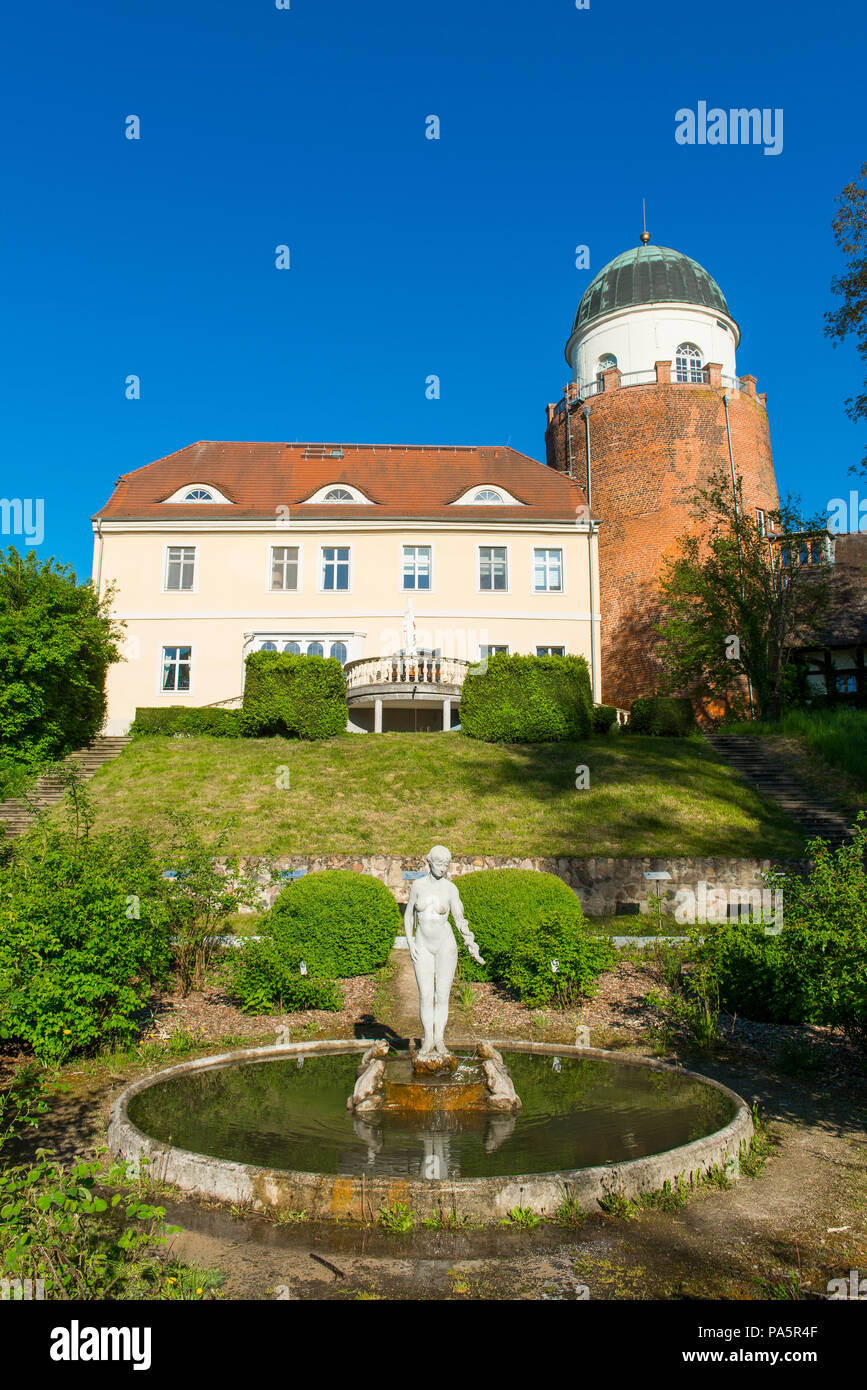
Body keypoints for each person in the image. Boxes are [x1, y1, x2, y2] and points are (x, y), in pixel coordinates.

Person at [404, 845, 484, 1060]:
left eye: (446, 865)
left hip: (445, 944)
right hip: (422, 944)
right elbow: (409, 915)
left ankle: (439, 1039)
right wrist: (410, 942)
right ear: (429, 862)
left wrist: (470, 942)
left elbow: (459, 919)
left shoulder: (450, 889)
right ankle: (427, 1038)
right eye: (439, 864)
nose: (443, 869)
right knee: (425, 995)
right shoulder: (418, 886)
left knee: (442, 995)